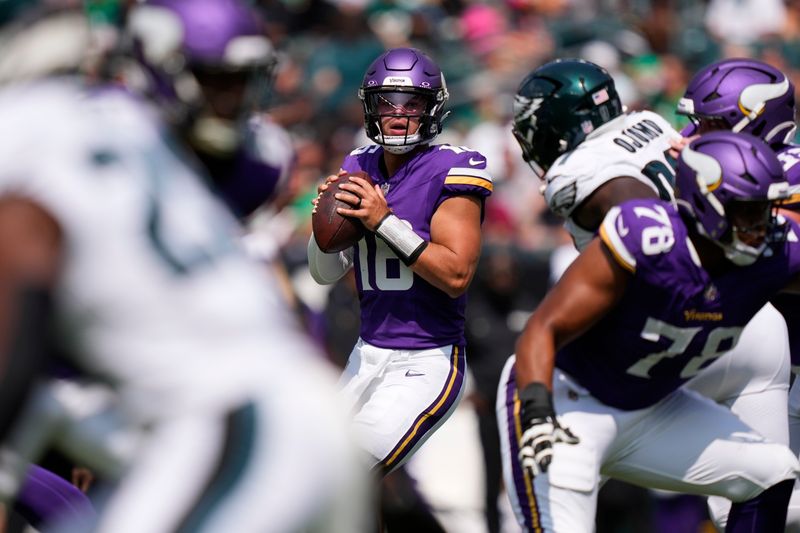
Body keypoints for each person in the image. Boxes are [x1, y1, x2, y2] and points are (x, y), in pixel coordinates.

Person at [0, 1, 367, 532]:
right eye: (216, 80)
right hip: (287, 417)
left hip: (227, 425)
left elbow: (26, 270)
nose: (230, 101)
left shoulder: (31, 126)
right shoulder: (141, 132)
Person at [498, 58, 794, 531]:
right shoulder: (652, 124)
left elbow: (636, 216)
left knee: (773, 475)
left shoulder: (590, 183)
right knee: (768, 485)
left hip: (671, 327)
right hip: (734, 327)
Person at [307, 46, 493, 474]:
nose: (397, 114)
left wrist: (383, 221)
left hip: (425, 360)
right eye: (385, 103)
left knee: (345, 477)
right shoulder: (358, 164)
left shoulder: (453, 167)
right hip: (365, 355)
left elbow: (456, 274)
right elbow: (323, 274)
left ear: (434, 108)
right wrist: (323, 230)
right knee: (314, 475)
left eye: (413, 103)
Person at [675, 56, 800, 530]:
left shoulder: (789, 170)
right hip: (769, 372)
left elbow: (776, 253)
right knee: (746, 507)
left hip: (788, 370)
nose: (693, 136)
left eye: (708, 124)